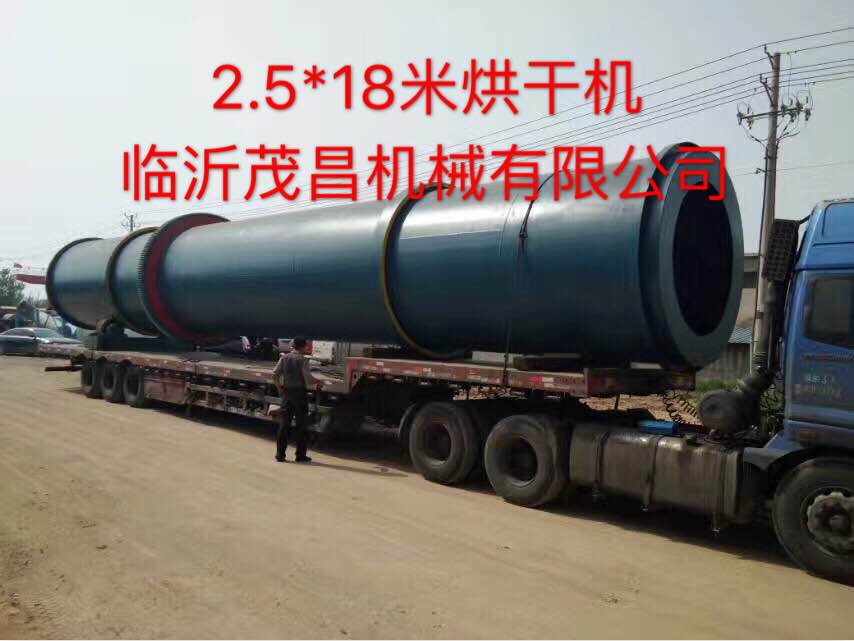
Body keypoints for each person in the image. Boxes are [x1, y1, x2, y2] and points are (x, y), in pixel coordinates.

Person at [272, 337, 323, 463]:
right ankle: (300, 455)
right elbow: (308, 379)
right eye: (306, 346)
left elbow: (275, 374)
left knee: (284, 424)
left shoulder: (284, 357)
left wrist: (279, 388)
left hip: (287, 393)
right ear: (302, 347)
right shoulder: (302, 359)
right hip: (299, 394)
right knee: (301, 425)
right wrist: (318, 381)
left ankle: (280, 454)